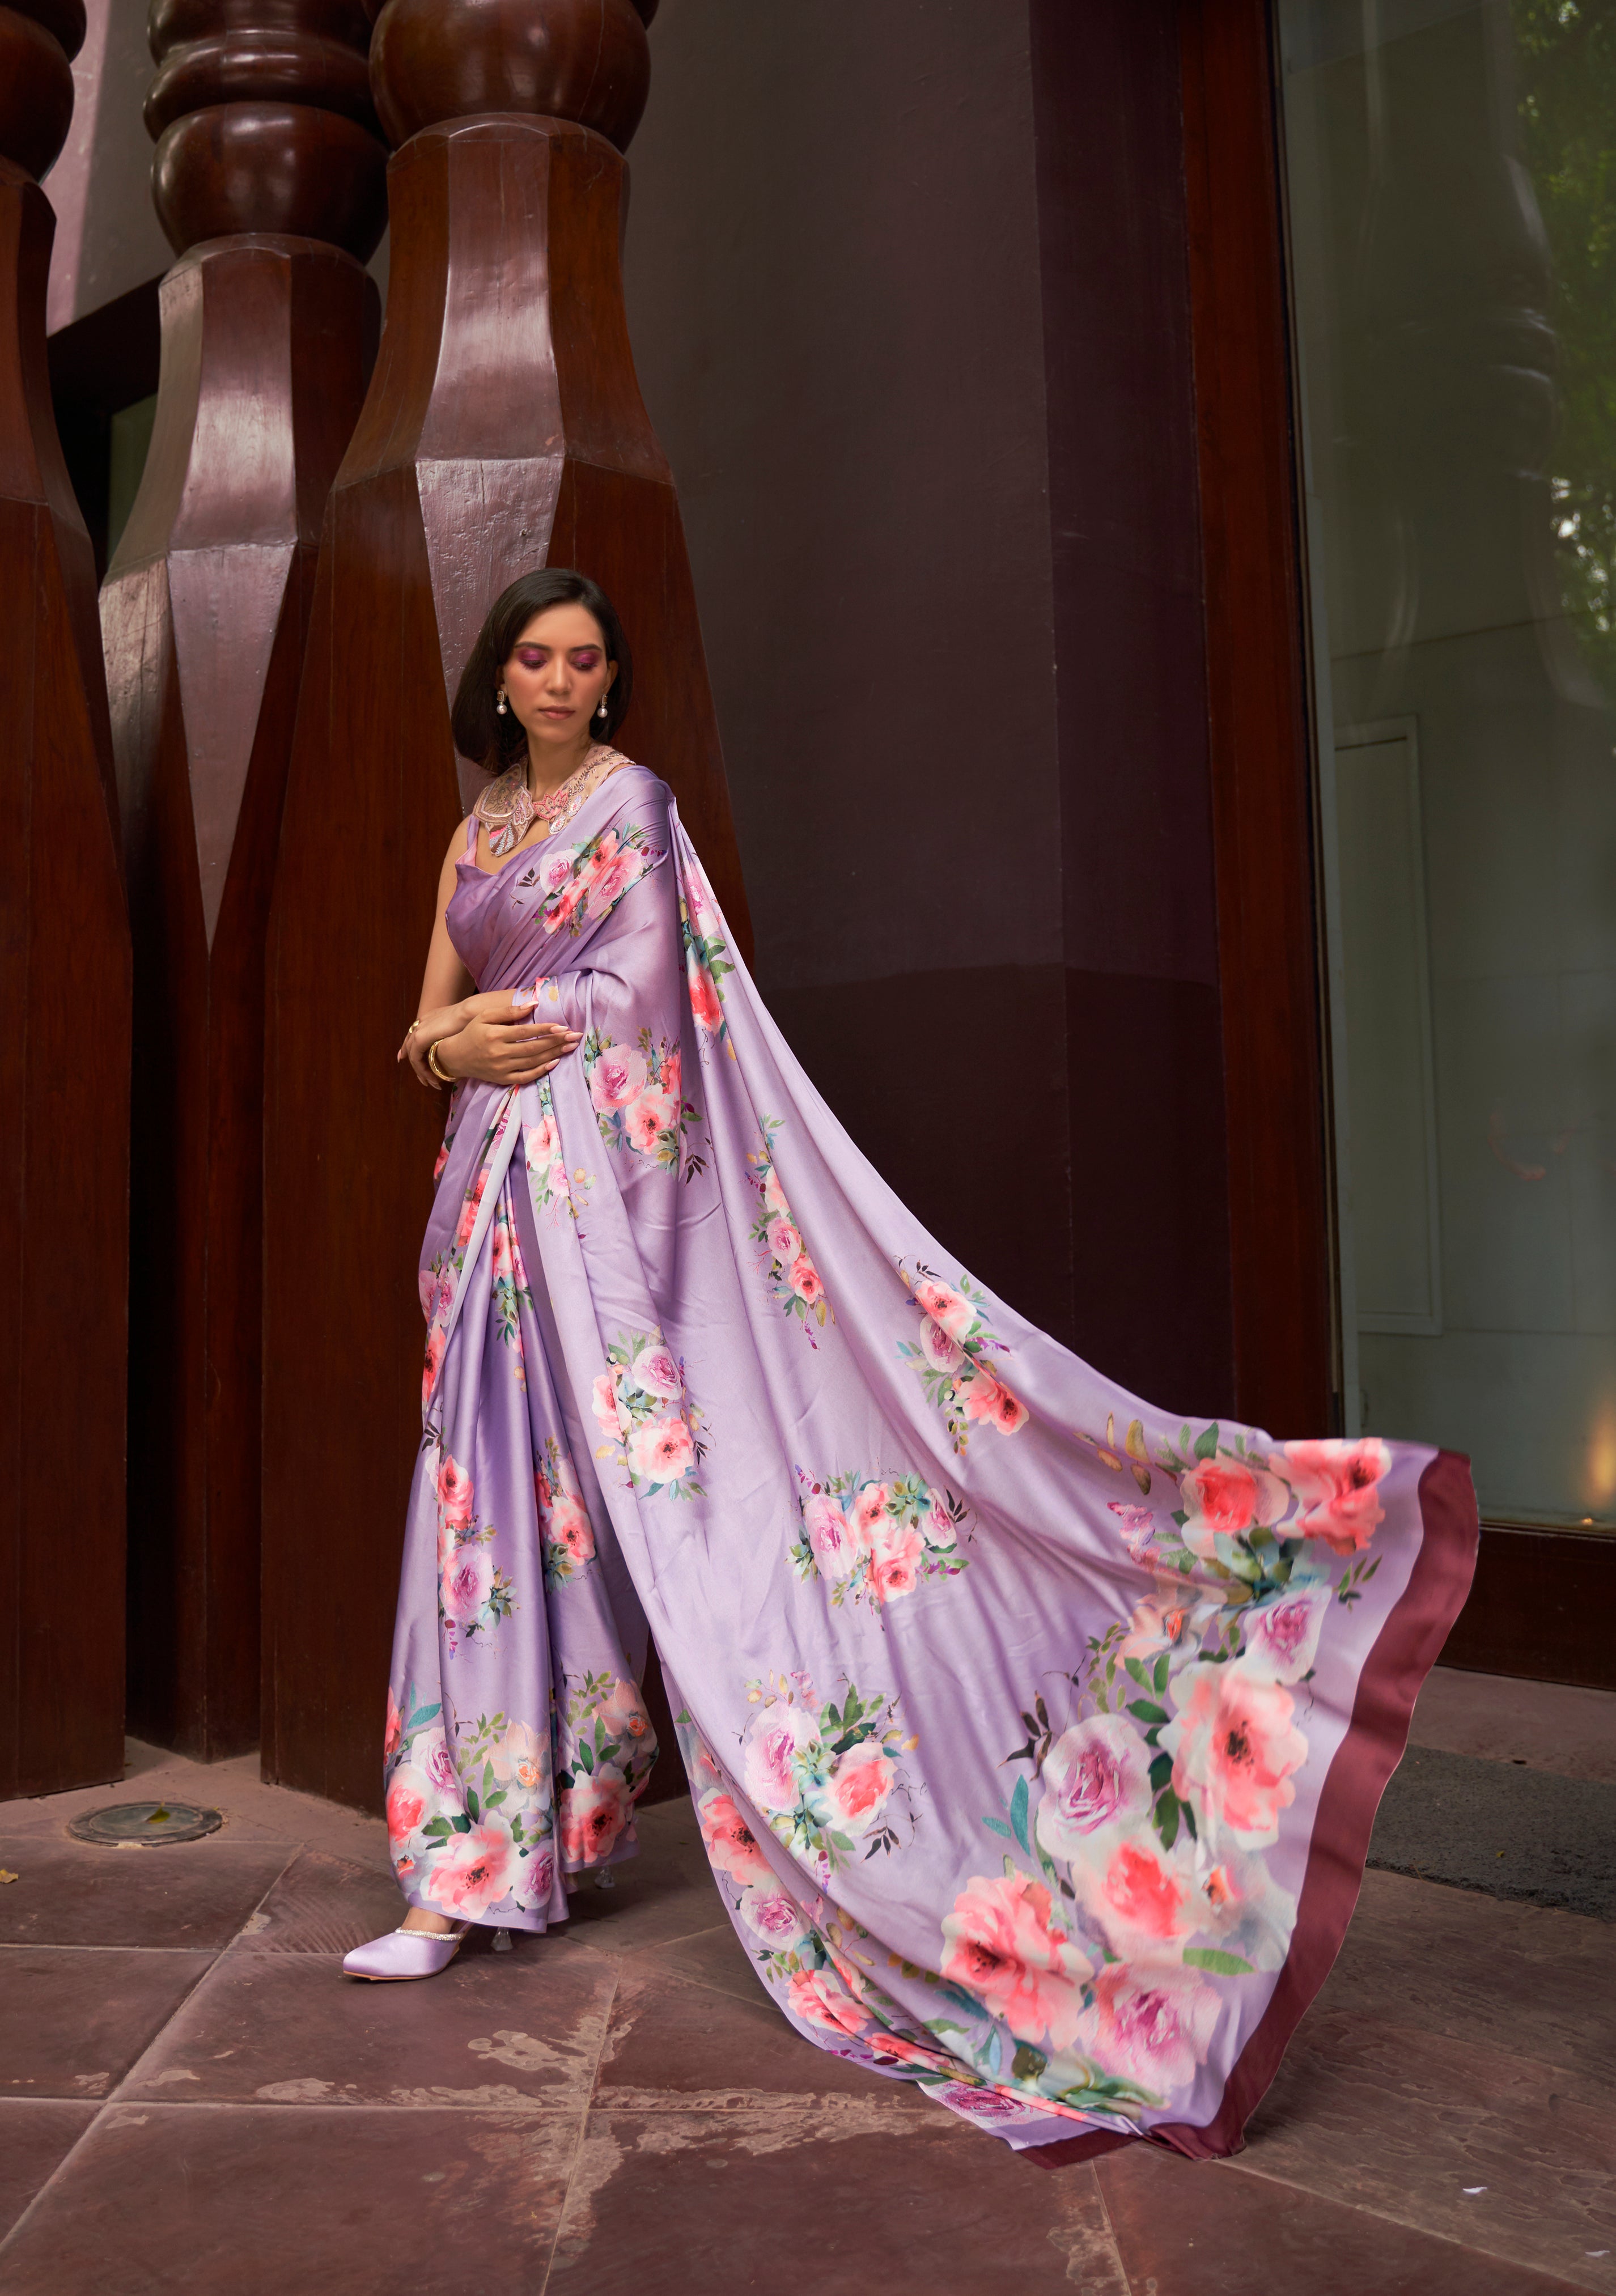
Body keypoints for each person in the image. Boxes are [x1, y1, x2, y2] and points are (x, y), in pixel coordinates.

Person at [341, 567, 1478, 2160]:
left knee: (695, 1535)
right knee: (495, 1532)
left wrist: (491, 1033)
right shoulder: (477, 832)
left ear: (610, 685)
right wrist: (446, 1044)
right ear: (498, 673)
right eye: (531, 655)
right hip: (496, 1218)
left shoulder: (633, 807)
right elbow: (423, 1027)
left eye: (584, 659)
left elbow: (640, 1007)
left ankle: (592, 1831)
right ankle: (474, 1864)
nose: (555, 679)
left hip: (604, 1215)